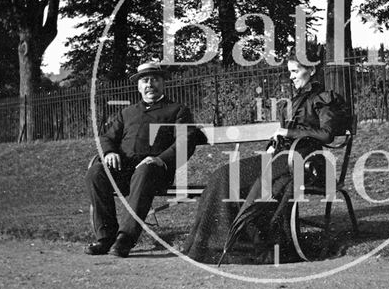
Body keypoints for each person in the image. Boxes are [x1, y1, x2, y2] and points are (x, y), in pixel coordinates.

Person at [182, 49, 348, 264]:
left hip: (305, 162)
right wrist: (273, 144)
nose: (291, 76)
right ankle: (212, 244)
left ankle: (253, 246)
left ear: (312, 69)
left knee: (257, 186)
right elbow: (282, 133)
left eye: (295, 71)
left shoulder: (324, 99)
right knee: (222, 175)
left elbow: (326, 135)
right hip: (281, 157)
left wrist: (289, 133)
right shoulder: (295, 101)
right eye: (290, 72)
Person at [85, 62, 202, 258]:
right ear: (138, 86)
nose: (150, 84)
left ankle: (124, 239)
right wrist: (109, 153)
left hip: (155, 171)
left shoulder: (177, 110)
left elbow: (186, 142)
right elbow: (107, 138)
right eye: (145, 80)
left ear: (163, 83)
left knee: (145, 169)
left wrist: (159, 159)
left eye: (155, 79)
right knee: (96, 172)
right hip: (124, 169)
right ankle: (105, 238)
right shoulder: (127, 112)